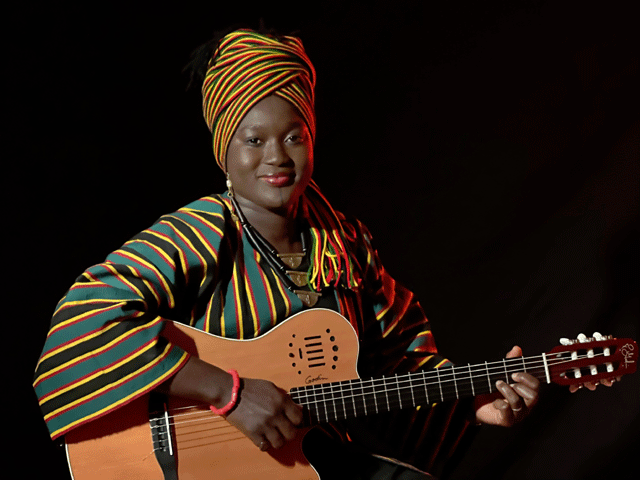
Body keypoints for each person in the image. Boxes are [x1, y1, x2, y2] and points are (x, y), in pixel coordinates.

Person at [33, 28, 543, 479]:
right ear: (224, 151)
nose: (276, 157)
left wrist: (469, 400)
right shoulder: (199, 233)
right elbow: (84, 322)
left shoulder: (345, 243)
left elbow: (397, 364)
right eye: (253, 139)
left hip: (310, 460)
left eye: (293, 136)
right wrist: (225, 392)